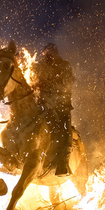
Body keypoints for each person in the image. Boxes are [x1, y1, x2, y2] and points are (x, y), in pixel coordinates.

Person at [34, 43, 74, 176]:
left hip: (60, 105)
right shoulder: (39, 66)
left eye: (51, 53)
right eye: (46, 53)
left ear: (55, 53)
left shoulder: (64, 66)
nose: (48, 55)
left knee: (64, 127)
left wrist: (52, 86)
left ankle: (63, 161)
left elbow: (67, 84)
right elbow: (32, 80)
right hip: (42, 105)